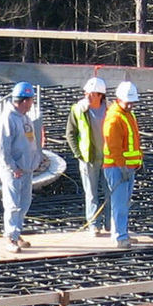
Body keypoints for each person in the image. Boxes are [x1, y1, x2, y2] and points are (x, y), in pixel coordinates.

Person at [0, 82, 45, 253]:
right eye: (31, 99)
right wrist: (12, 167)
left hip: (27, 169)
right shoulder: (8, 118)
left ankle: (16, 233)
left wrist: (36, 160)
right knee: (12, 205)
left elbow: (31, 141)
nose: (32, 103)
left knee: (24, 203)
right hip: (14, 171)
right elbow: (2, 148)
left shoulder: (25, 117)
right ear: (24, 100)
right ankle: (10, 237)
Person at [62, 77, 110, 236]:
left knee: (110, 193)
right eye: (86, 93)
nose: (87, 96)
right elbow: (70, 133)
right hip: (88, 159)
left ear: (100, 95)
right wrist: (78, 154)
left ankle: (110, 225)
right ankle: (94, 225)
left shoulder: (111, 110)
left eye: (91, 94)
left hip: (109, 159)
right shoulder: (78, 110)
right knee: (91, 194)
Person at [103, 81, 144, 247]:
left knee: (123, 203)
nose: (130, 105)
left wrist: (138, 159)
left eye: (132, 102)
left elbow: (132, 142)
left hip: (128, 167)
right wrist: (122, 166)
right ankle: (120, 237)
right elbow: (114, 147)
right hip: (116, 168)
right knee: (119, 204)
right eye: (128, 101)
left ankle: (121, 233)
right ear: (118, 99)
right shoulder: (114, 118)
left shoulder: (128, 115)